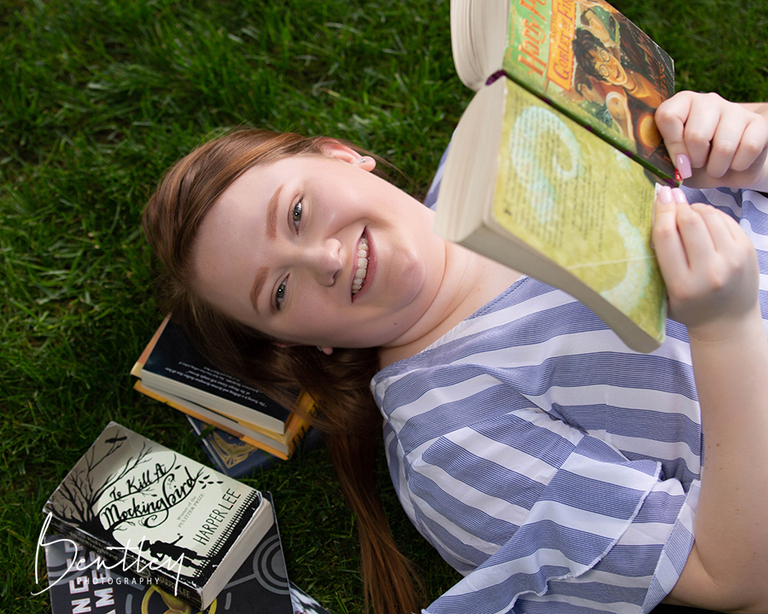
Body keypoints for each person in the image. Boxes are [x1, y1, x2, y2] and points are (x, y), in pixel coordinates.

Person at [142, 91, 768, 614]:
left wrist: (743, 141)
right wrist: (725, 328)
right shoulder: (452, 446)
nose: (326, 261)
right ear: (301, 342)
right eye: (279, 291)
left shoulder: (502, 133)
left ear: (343, 156)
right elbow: (733, 576)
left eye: (299, 212)